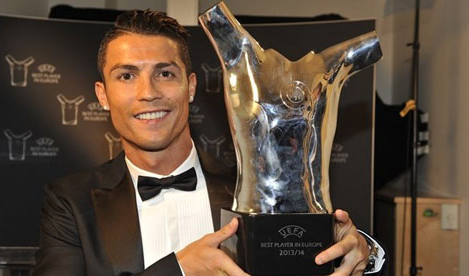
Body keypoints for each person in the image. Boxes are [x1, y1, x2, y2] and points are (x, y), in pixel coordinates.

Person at [34, 9, 385, 276]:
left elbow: (313, 257)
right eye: (127, 76)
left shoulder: (258, 190)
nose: (148, 93)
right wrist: (180, 269)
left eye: (165, 73)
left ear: (190, 87)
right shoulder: (71, 201)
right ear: (103, 95)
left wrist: (364, 254)